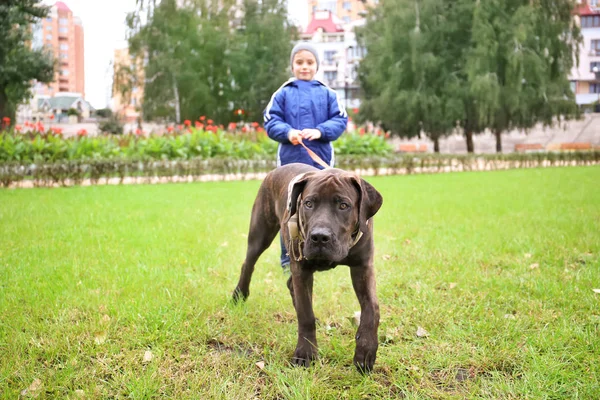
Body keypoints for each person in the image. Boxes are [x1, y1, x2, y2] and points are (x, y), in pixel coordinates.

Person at [263, 42, 348, 275]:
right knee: (289, 211)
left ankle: (325, 253)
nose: (304, 67)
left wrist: (320, 131)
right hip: (290, 165)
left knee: (322, 211)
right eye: (299, 62)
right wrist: (288, 132)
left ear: (317, 65)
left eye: (309, 62)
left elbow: (340, 120)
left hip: (320, 164)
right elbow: (271, 120)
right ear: (292, 65)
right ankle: (287, 258)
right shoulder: (282, 93)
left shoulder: (328, 93)